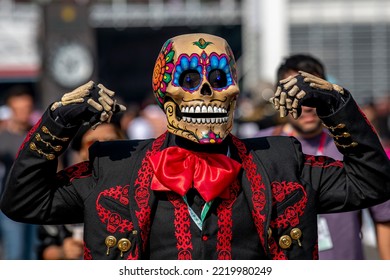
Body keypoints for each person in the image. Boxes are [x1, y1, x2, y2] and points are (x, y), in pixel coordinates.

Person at [0, 33, 389, 260]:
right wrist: (55, 124)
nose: (206, 92)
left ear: (233, 93)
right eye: (188, 79)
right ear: (165, 96)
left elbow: (372, 183)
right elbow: (24, 201)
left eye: (219, 79)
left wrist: (337, 106)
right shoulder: (115, 167)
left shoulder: (280, 161)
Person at [255, 53, 390, 260]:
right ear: (279, 95)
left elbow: (383, 216)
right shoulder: (260, 147)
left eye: (313, 92)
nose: (308, 105)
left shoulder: (351, 145)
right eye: (297, 93)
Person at [37, 122, 127, 260]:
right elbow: (44, 248)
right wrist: (63, 252)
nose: (104, 149)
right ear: (81, 151)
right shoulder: (64, 193)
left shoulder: (140, 190)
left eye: (111, 141)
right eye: (92, 143)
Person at [0, 86, 38, 259]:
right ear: (11, 109)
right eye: (19, 109)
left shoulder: (39, 134)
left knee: (35, 254)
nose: (24, 113)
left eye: (27, 108)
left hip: (38, 202)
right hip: (11, 204)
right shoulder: (2, 138)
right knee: (16, 254)